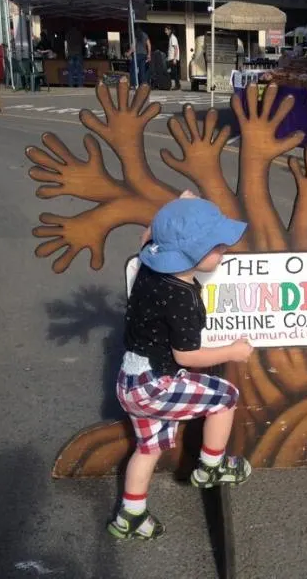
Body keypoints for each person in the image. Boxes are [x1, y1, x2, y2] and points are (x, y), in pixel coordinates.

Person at [107, 193, 254, 541]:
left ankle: (130, 514)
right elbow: (187, 357)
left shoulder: (149, 263)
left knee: (149, 448)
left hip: (130, 380)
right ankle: (211, 466)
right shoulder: (181, 297)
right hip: (154, 385)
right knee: (226, 397)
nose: (224, 251)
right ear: (191, 254)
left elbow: (151, 235)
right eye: (217, 246)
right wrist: (232, 351)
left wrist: (175, 206)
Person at [165, 25, 180, 90]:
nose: (165, 32)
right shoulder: (171, 38)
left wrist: (174, 59)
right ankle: (176, 85)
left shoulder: (173, 38)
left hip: (173, 58)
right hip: (170, 58)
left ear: (169, 30)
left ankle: (177, 85)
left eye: (166, 30)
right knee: (172, 72)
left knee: (174, 73)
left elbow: (176, 48)